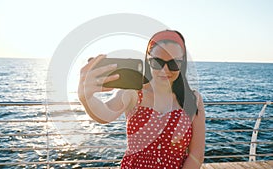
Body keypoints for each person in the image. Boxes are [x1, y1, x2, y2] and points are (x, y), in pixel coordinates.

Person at [78, 30, 205, 169]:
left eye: (174, 63)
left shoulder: (193, 99)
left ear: (182, 63)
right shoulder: (134, 93)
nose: (164, 70)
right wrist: (86, 98)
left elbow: (196, 155)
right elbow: (105, 114)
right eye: (157, 62)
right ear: (148, 60)